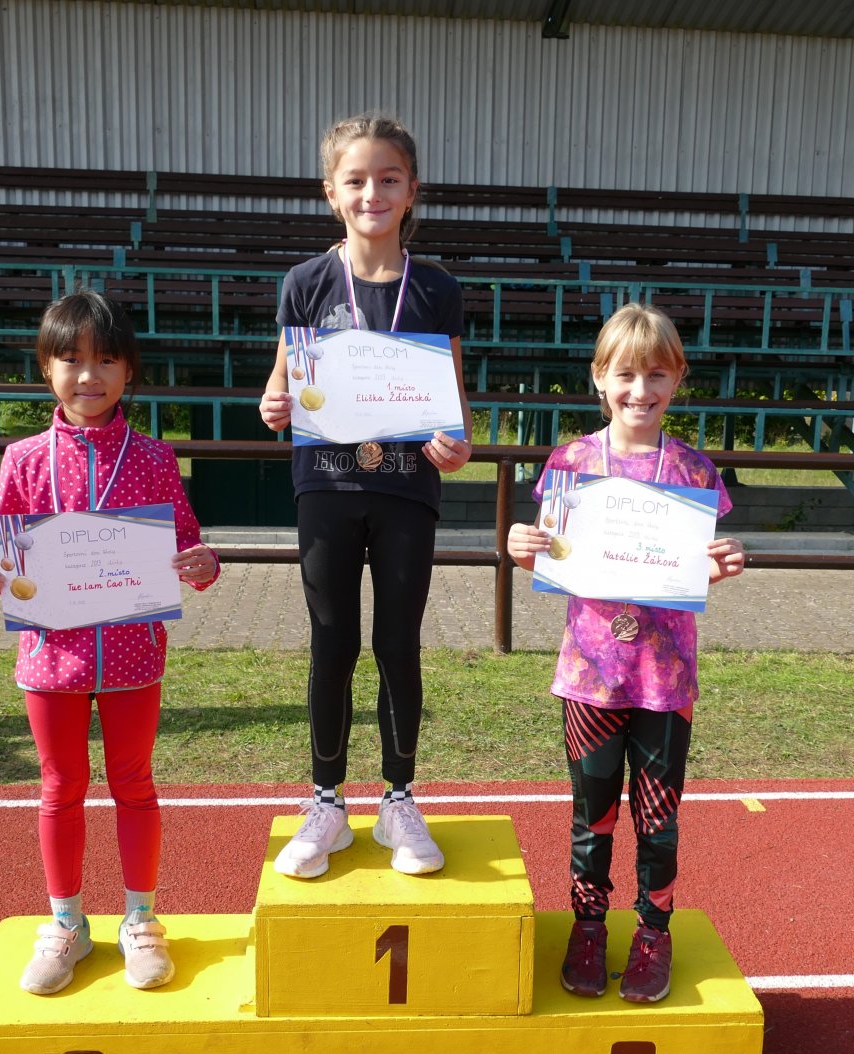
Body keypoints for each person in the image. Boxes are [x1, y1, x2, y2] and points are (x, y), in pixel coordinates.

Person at [0, 290, 220, 996]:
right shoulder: (22, 458)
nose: (89, 376)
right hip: (51, 658)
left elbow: (188, 544)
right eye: (71, 360)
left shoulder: (155, 458)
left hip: (134, 657)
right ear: (46, 368)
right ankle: (67, 923)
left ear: (128, 371)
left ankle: (141, 919)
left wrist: (202, 564)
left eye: (106, 360)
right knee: (59, 787)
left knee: (134, 784)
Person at [507, 303, 745, 1004]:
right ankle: (588, 926)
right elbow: (550, 556)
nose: (640, 390)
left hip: (664, 678)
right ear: (599, 379)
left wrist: (720, 567)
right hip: (590, 675)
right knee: (593, 815)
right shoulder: (572, 463)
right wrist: (523, 550)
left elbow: (695, 567)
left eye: (656, 375)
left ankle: (653, 931)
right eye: (626, 375)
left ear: (677, 380)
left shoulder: (694, 471)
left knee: (658, 819)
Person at [259, 113, 473, 880]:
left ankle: (398, 800)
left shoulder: (437, 287)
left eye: (388, 179)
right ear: (331, 192)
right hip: (327, 482)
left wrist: (456, 446)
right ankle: (326, 803)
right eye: (356, 180)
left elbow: (454, 411)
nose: (372, 193)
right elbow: (280, 389)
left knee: (397, 643)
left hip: (407, 489)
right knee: (332, 643)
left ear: (412, 190)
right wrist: (274, 405)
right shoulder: (306, 283)